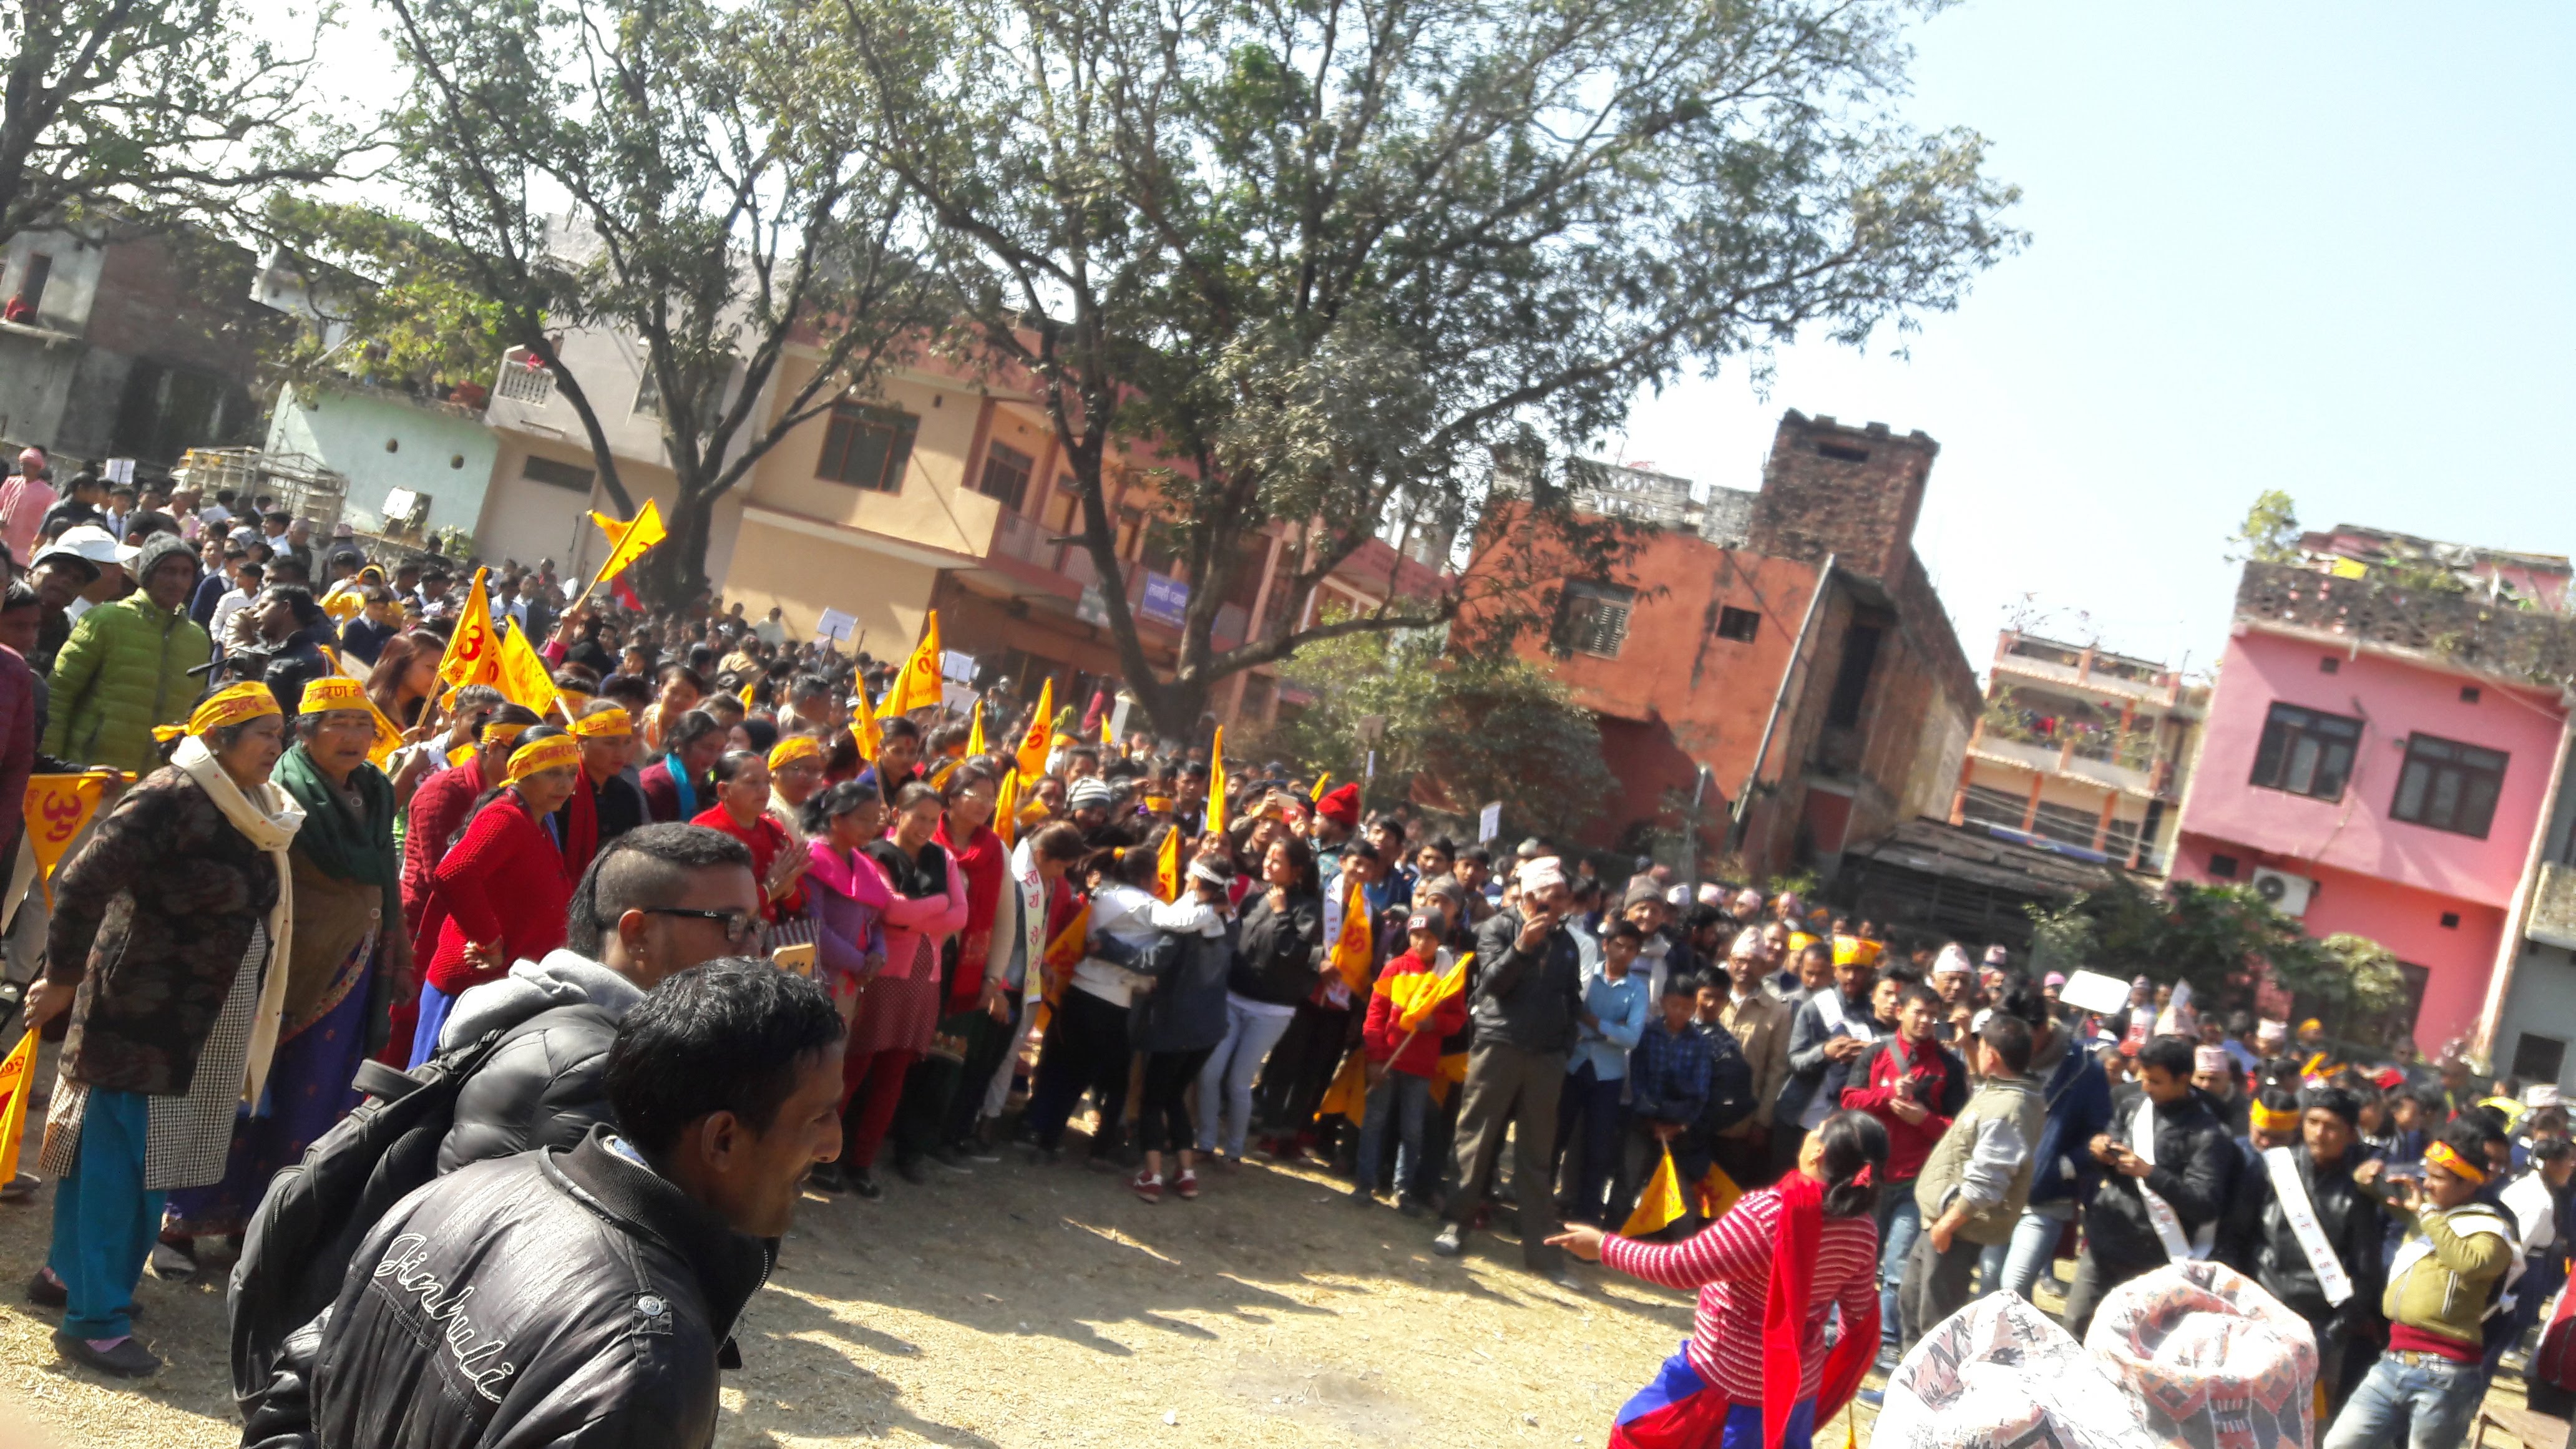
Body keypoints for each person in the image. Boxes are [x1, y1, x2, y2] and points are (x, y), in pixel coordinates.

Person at [239, 959, 846, 1449]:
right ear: (722, 1139)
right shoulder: (646, 1369)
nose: (834, 1145)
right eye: (819, 1117)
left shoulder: (472, 1185)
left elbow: (297, 1387)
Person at [21, 683, 299, 1377]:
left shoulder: (254, 809)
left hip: (198, 1018)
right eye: (264, 732)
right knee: (124, 1166)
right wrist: (57, 978)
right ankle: (96, 1320)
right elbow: (83, 884)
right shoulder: (171, 796)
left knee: (128, 1159)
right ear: (222, 739)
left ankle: (72, 1278)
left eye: (279, 733)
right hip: (138, 1013)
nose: (276, 746)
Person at [159, 679, 407, 1258]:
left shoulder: (375, 791)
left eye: (362, 724)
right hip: (280, 967)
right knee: (241, 1090)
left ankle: (260, 1225)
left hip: (352, 966)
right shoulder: (278, 792)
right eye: (337, 723)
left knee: (313, 1101)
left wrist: (397, 947)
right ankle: (182, 1222)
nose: (353, 737)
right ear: (305, 731)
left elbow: (381, 876)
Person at [430, 823, 763, 1172]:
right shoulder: (595, 1069)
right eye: (732, 924)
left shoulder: (634, 1042)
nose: (754, 949)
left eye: (756, 926)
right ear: (637, 933)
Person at [1546, 1111, 1887, 1449]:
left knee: (1636, 1436)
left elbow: (1681, 1268)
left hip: (1721, 1386)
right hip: (1792, 1393)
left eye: (1817, 1129)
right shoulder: (1862, 1230)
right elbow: (1858, 1319)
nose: (1809, 1133)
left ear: (1818, 1152)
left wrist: (1604, 1247)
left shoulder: (1769, 1214)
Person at [1433, 855, 1585, 1283]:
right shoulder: (1499, 928)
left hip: (1547, 1057)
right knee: (1476, 1138)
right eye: (1554, 897)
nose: (1561, 905)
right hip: (1499, 1046)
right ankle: (1455, 1223)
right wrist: (1522, 949)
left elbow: (1572, 1000)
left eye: (1565, 898)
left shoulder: (1568, 943)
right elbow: (1491, 986)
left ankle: (1542, 1254)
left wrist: (1564, 1044)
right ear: (1533, 897)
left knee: (1537, 1154)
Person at [2322, 1124, 2520, 1449]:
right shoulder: (2428, 1214)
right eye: (2426, 1175)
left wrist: (2427, 1214)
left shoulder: (2492, 1229)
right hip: (2393, 1361)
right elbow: (2369, 1185)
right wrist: (2370, 1174)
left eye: (2438, 1178)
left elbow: (2471, 1263)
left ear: (2469, 1183)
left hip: (2446, 1376)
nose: (2427, 1184)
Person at [1025, 829, 1201, 1168]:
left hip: (1077, 992)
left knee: (1064, 1068)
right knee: (1114, 1081)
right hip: (1109, 1003)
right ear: (1150, 877)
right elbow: (1182, 920)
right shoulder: (1146, 907)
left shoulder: (1102, 893)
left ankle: (1042, 1135)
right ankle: (1098, 1149)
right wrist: (1200, 894)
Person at [411, 728, 583, 1066]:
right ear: (521, 772)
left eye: (571, 773)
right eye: (552, 774)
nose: (565, 785)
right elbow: (454, 873)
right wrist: (488, 940)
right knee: (428, 1099)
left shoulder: (537, 819)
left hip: (501, 989)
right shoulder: (505, 817)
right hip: (468, 991)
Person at [2216, 1083, 2385, 1418]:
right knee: (2231, 1413)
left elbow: (2367, 1272)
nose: (2320, 1133)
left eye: (2332, 1126)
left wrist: (2332, 1334)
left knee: (2300, 1424)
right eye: (2313, 1122)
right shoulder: (2271, 1168)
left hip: (2319, 1326)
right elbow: (2235, 1238)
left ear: (2351, 1134)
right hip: (2257, 1311)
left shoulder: (2360, 1189)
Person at [832, 781, 965, 1195]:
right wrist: (938, 906)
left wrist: (919, 914)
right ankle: (826, 1156)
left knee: (893, 1076)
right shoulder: (875, 856)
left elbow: (961, 916)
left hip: (925, 980)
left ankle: (862, 1162)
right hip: (882, 975)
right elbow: (890, 910)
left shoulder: (943, 859)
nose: (926, 826)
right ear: (898, 814)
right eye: (918, 816)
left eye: (933, 819)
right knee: (853, 1068)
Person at [2062, 1033, 2238, 1339]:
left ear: (2183, 1079)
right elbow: (2107, 1143)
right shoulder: (2132, 1106)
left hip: (2154, 1260)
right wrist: (2099, 1150)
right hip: (2106, 1240)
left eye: (2156, 1082)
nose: (2146, 1087)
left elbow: (2205, 1203)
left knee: (2125, 1344)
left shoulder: (2209, 1134)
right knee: (2074, 1328)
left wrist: (2149, 1173)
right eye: (2143, 1078)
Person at [1895, 1012, 2040, 1354]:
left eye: (1983, 1045)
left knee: (1937, 1319)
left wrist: (1947, 1224)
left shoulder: (2010, 1107)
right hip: (1942, 1220)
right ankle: (1904, 1386)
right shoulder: (2002, 1089)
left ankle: (1931, 1398)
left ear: (1994, 1054)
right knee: (1913, 1299)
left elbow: (1988, 1181)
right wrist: (1967, 1045)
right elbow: (1980, 1080)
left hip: (1958, 1227)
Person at [1840, 981, 1968, 1358]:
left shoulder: (1950, 1067)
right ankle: (1839, 1330)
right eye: (1919, 1012)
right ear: (1901, 1012)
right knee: (1857, 1261)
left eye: (1933, 1015)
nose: (1927, 1021)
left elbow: (1959, 1129)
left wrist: (1925, 1119)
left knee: (1897, 1267)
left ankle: (1886, 1342)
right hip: (1869, 1175)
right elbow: (1849, 1100)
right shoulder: (1877, 1052)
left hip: (1918, 1182)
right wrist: (1888, 1094)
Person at [1196, 834, 1324, 1163]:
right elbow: (1237, 946)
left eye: (1277, 859)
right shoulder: (1253, 901)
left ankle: (1234, 1152)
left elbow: (1294, 954)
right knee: (1210, 1073)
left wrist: (1282, 915)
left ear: (1296, 870)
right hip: (1234, 998)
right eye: (1268, 856)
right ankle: (1206, 1143)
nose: (1268, 862)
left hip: (1272, 1010)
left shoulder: (1308, 909)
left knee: (1239, 1081)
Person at [42, 532, 208, 775]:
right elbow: (59, 696)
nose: (178, 581)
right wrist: (50, 765)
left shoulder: (198, 641)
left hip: (152, 787)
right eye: (168, 571)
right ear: (148, 575)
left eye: (186, 573)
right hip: (90, 776)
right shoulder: (105, 620)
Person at [1125, 855, 1237, 1203]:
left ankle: (1152, 1174)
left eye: (1189, 873)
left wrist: (1107, 946)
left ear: (1197, 883)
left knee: (1152, 1101)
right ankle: (1187, 1174)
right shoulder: (1231, 922)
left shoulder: (1182, 930)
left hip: (1174, 1028)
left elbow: (1151, 961)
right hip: (1209, 1029)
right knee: (1175, 1097)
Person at [1354, 912, 1467, 1212]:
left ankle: (1402, 1190)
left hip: (1421, 1066)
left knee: (1412, 1130)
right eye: (1417, 935)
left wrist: (1436, 1022)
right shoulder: (1395, 968)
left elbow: (1458, 1019)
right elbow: (1375, 1015)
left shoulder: (1448, 977)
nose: (1421, 942)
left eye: (1429, 937)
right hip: (1388, 1060)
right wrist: (1375, 1058)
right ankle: (1365, 1182)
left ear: (1440, 940)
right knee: (1375, 1121)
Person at [1557, 917, 1652, 1226]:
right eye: (1619, 945)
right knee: (1556, 1137)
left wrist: (1595, 1023)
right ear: (1605, 945)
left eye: (1631, 949)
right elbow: (1572, 1015)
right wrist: (1613, 1029)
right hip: (1574, 1064)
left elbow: (1634, 1037)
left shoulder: (1638, 989)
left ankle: (1586, 1216)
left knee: (1598, 1149)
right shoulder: (1587, 975)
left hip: (1608, 1076)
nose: (1624, 953)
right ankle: (1540, 1204)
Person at [1712, 929, 1793, 1190]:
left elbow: (1776, 1070)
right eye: (1740, 961)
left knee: (1725, 1194)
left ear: (1764, 966)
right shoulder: (1711, 996)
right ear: (1730, 961)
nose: (1745, 968)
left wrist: (1762, 1120)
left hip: (1741, 1122)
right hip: (1698, 1111)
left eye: (1753, 963)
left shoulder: (1777, 1011)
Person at [690, 749, 807, 924]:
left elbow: (799, 903)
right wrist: (768, 891)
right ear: (723, 790)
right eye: (752, 782)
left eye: (767, 782)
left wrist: (788, 888)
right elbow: (713, 903)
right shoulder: (705, 832)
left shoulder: (775, 831)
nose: (764, 790)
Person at [569, 701, 649, 863]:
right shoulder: (562, 792)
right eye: (610, 743)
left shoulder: (626, 794)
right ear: (581, 741)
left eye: (627, 742)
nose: (620, 753)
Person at [640, 707, 726, 824]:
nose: (715, 757)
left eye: (720, 750)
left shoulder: (714, 781)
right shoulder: (656, 784)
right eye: (707, 748)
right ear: (679, 744)